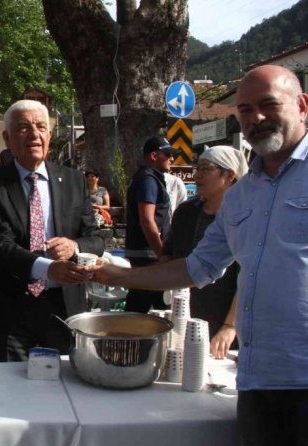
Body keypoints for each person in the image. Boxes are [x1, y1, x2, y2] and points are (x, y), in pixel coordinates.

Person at [92, 65, 308, 446]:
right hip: (257, 383)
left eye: (268, 105)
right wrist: (115, 275)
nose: (256, 118)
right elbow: (195, 268)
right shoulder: (241, 197)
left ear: (302, 106)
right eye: (245, 110)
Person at [0, 100, 103, 361]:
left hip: (63, 305)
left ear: (50, 135)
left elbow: (95, 239)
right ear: (7, 138)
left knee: (65, 380)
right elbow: (0, 244)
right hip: (11, 306)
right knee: (10, 381)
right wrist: (47, 268)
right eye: (23, 128)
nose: (34, 135)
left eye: (41, 127)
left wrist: (74, 247)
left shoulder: (73, 180)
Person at [161, 145, 248, 358]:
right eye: (197, 168)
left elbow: (249, 278)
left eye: (206, 168)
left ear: (229, 175)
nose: (197, 174)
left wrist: (230, 326)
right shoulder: (186, 212)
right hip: (185, 312)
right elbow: (168, 252)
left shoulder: (244, 218)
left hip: (225, 319)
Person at [124, 136, 180, 313]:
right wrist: (162, 254)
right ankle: (126, 332)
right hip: (148, 256)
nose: (172, 158)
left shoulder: (149, 178)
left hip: (148, 254)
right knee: (143, 305)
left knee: (154, 305)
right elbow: (147, 220)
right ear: (154, 156)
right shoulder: (148, 180)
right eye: (167, 154)